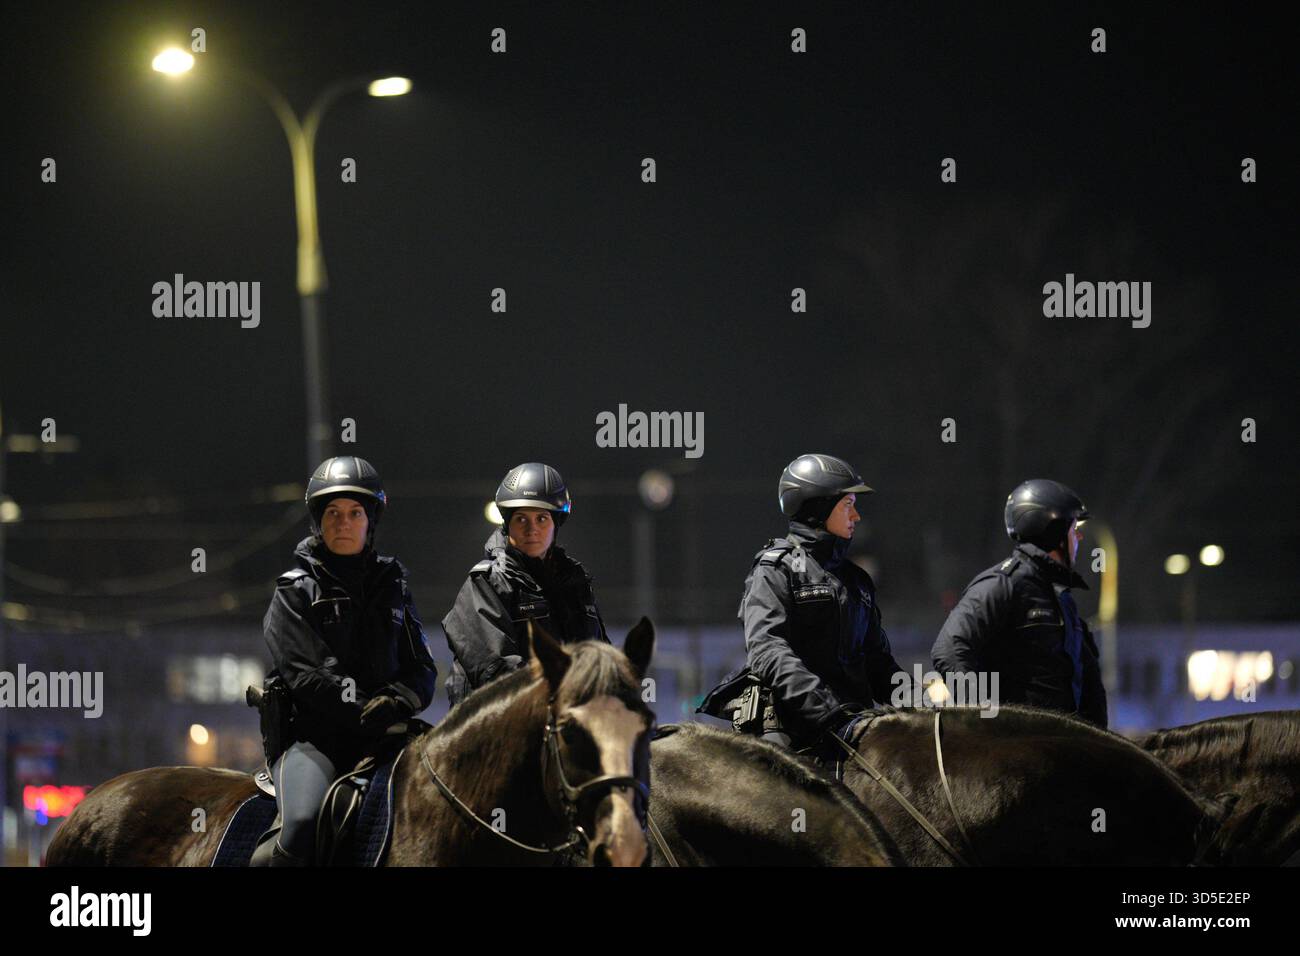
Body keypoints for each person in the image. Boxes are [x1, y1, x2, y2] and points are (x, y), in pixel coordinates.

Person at [253, 456, 438, 866]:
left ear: (370, 522)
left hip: (389, 736)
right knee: (301, 826)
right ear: (319, 521)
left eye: (355, 513)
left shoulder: (394, 587)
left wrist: (397, 700)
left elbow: (422, 668)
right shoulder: (294, 591)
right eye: (333, 513)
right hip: (315, 741)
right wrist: (361, 710)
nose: (344, 522)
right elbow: (306, 673)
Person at [699, 453, 907, 758]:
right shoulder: (774, 569)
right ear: (818, 507)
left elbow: (877, 662)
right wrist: (830, 713)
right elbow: (767, 651)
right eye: (848, 505)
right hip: (792, 732)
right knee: (781, 796)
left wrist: (921, 703)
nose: (856, 516)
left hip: (855, 729)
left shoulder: (856, 579)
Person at [931, 478, 1108, 727]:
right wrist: (984, 722)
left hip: (1065, 749)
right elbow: (949, 648)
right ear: (1053, 532)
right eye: (1073, 528)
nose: (1078, 536)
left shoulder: (1061, 598)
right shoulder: (1003, 584)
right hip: (1019, 755)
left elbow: (1088, 682)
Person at [441, 462, 609, 707]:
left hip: (566, 719)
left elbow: (599, 656)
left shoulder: (577, 585)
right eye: (521, 519)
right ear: (508, 524)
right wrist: (564, 694)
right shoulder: (485, 583)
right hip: (499, 723)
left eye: (542, 518)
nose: (532, 529)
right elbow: (495, 673)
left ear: (556, 524)